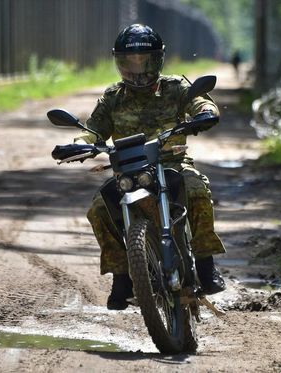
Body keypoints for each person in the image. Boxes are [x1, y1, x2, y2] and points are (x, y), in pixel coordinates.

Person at [74, 24, 226, 310]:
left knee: (196, 189)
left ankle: (206, 265)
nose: (137, 70)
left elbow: (200, 102)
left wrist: (205, 113)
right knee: (99, 208)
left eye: (144, 62)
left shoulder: (175, 88)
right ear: (118, 62)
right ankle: (122, 277)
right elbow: (93, 130)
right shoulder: (112, 98)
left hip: (172, 164)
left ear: (158, 60)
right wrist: (79, 143)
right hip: (129, 172)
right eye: (129, 63)